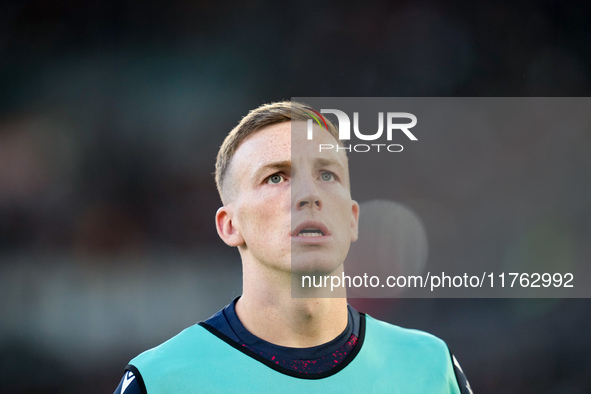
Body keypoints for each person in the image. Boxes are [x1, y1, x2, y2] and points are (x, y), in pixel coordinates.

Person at [114, 101, 472, 393]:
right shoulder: (160, 380)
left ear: (351, 218)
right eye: (276, 177)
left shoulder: (432, 366)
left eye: (326, 175)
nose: (309, 194)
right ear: (229, 225)